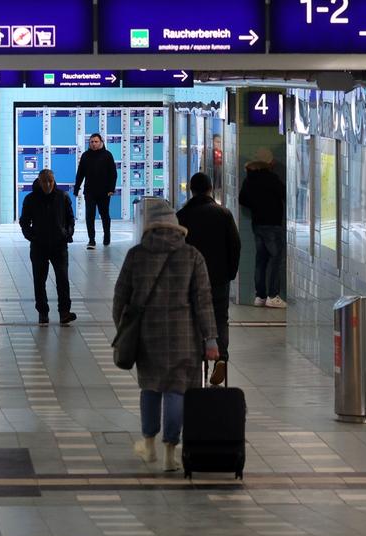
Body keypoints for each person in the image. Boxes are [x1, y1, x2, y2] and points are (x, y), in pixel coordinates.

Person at [113, 198, 219, 472]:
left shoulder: (136, 255)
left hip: (148, 334)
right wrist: (210, 339)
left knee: (150, 388)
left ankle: (148, 446)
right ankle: (171, 452)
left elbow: (120, 297)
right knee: (176, 390)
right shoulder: (192, 256)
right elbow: (203, 301)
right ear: (176, 228)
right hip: (185, 336)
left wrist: (123, 328)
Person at [177, 172, 241, 386]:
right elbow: (235, 245)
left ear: (191, 190)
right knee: (220, 317)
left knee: (193, 318)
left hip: (190, 279)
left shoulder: (182, 216)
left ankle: (197, 359)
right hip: (218, 277)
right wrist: (230, 272)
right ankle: (220, 356)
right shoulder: (223, 214)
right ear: (210, 189)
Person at [19, 169, 77, 326]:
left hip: (59, 246)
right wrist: (32, 236)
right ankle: (43, 312)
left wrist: (67, 233)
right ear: (39, 181)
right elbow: (24, 222)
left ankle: (64, 312)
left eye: (50, 181)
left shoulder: (62, 197)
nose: (47, 184)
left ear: (54, 181)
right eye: (44, 181)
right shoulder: (30, 199)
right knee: (39, 281)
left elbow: (70, 219)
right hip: (39, 247)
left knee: (63, 280)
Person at [238, 148, 288, 309]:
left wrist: (257, 206)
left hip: (257, 224)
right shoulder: (272, 179)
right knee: (276, 259)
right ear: (268, 163)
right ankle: (273, 295)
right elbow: (284, 194)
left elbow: (243, 200)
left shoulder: (249, 179)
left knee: (261, 260)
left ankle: (260, 296)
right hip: (272, 224)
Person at [73, 133, 119, 248]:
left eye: (96, 141)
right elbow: (80, 174)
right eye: (92, 142)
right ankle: (91, 239)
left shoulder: (107, 155)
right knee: (90, 216)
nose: (94, 144)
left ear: (101, 142)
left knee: (104, 215)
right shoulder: (85, 156)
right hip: (89, 191)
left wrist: (111, 189)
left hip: (104, 192)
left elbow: (113, 174)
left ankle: (107, 236)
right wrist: (76, 187)